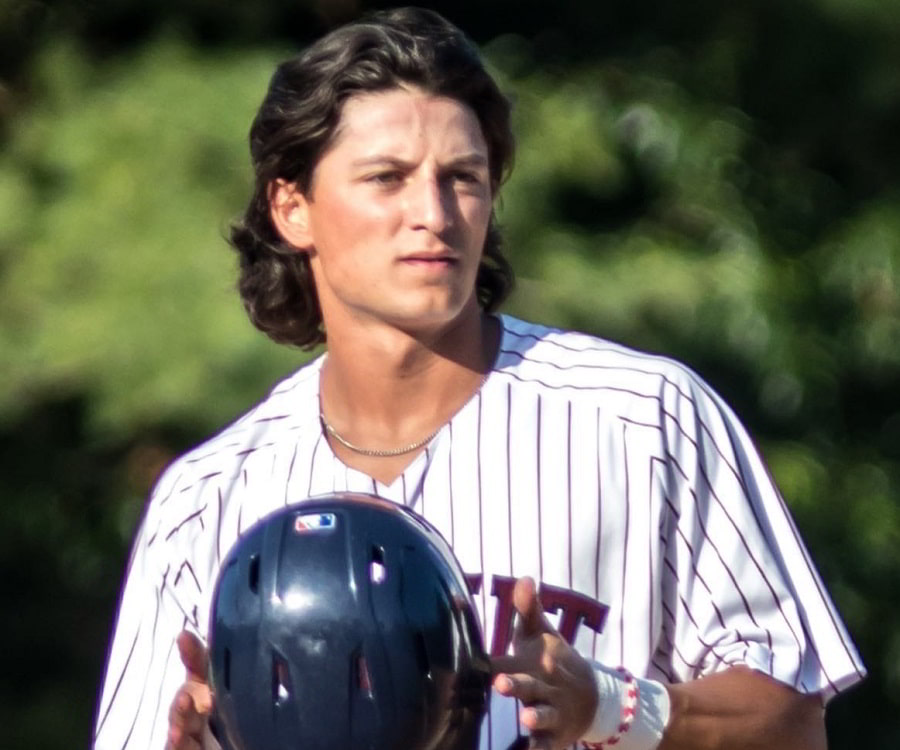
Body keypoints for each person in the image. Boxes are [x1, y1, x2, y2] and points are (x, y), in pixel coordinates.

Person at [92, 7, 865, 750]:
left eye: (462, 177)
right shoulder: (208, 498)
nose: (434, 213)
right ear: (293, 208)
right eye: (387, 177)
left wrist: (611, 705)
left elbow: (793, 725)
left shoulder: (644, 420)